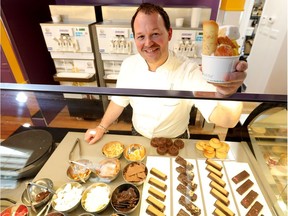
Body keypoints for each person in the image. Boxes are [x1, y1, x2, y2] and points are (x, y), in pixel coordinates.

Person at [85, 3, 247, 144]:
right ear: (135, 39)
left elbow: (228, 121)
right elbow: (119, 101)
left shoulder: (189, 70)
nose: (148, 43)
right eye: (141, 36)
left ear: (169, 34)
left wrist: (229, 93)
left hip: (176, 141)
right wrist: (101, 127)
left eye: (155, 34)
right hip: (138, 136)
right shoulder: (129, 65)